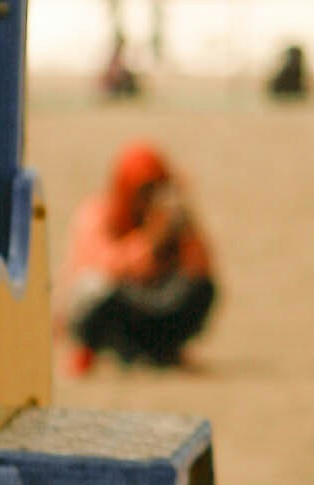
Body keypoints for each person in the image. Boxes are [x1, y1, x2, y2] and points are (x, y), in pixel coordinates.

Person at [61, 141, 217, 373]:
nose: (149, 198)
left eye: (158, 188)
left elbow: (201, 270)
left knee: (199, 289)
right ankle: (87, 350)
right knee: (96, 289)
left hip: (150, 307)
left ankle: (166, 348)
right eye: (144, 190)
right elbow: (103, 268)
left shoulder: (168, 219)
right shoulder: (97, 213)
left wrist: (186, 224)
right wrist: (151, 241)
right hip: (113, 306)